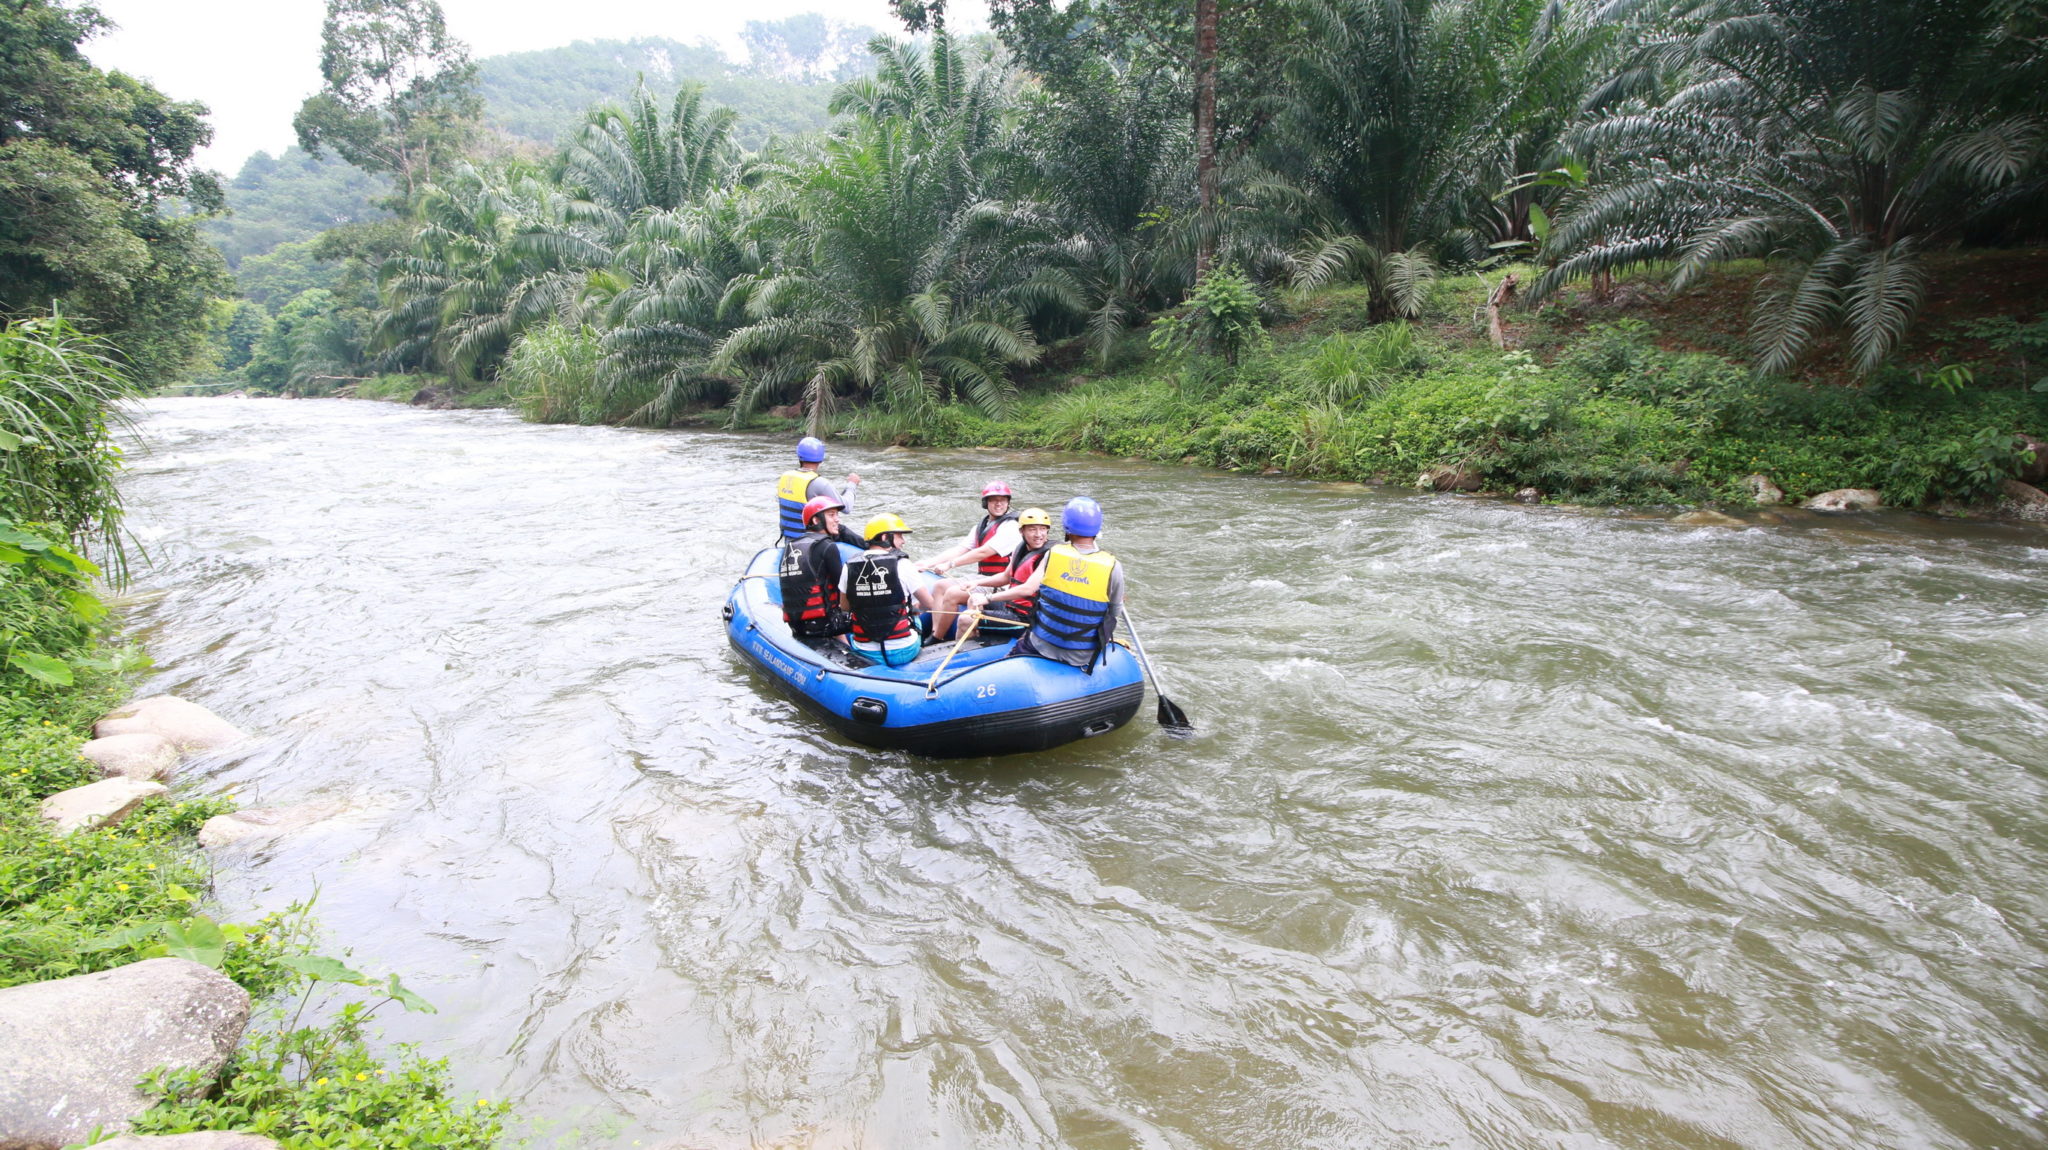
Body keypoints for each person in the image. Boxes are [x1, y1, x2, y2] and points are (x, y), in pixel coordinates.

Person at [973, 496, 1123, 670]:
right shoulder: (1113, 566)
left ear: (1066, 527)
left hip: (1041, 644)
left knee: (1014, 655)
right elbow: (1114, 612)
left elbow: (1031, 588)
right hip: (1082, 654)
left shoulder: (1053, 554)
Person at [930, 506, 1054, 641]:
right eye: (1032, 529)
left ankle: (962, 654)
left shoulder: (1049, 555)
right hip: (1012, 607)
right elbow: (1005, 577)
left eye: (1043, 529)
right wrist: (976, 582)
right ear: (1021, 531)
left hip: (1026, 619)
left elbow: (1028, 589)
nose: (1038, 534)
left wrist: (988, 598)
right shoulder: (1021, 548)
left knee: (966, 619)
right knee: (974, 598)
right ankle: (976, 641)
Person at [840, 513, 936, 668]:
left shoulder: (848, 566)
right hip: (903, 651)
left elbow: (845, 607)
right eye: (899, 536)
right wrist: (915, 608)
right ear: (885, 537)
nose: (903, 541)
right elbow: (930, 604)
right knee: (913, 612)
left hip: (865, 651)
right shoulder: (904, 565)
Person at [779, 495, 852, 642]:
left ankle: (844, 646)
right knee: (873, 615)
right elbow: (844, 589)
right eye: (831, 515)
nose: (837, 519)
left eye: (837, 515)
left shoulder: (791, 545)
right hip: (822, 625)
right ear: (816, 520)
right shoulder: (827, 546)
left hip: (796, 625)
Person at [916, 481, 1021, 579]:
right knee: (940, 586)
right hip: (984, 578)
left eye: (1003, 500)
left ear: (1008, 503)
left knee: (948, 591)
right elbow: (960, 550)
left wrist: (949, 565)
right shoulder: (981, 527)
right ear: (986, 503)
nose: (999, 504)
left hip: (1004, 583)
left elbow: (982, 553)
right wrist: (928, 563)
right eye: (994, 500)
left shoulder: (1011, 527)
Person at [775, 436, 863, 543]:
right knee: (842, 530)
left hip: (789, 540)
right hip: (811, 542)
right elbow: (846, 507)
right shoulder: (820, 483)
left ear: (799, 456)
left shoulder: (785, 477)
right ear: (821, 458)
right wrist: (852, 485)